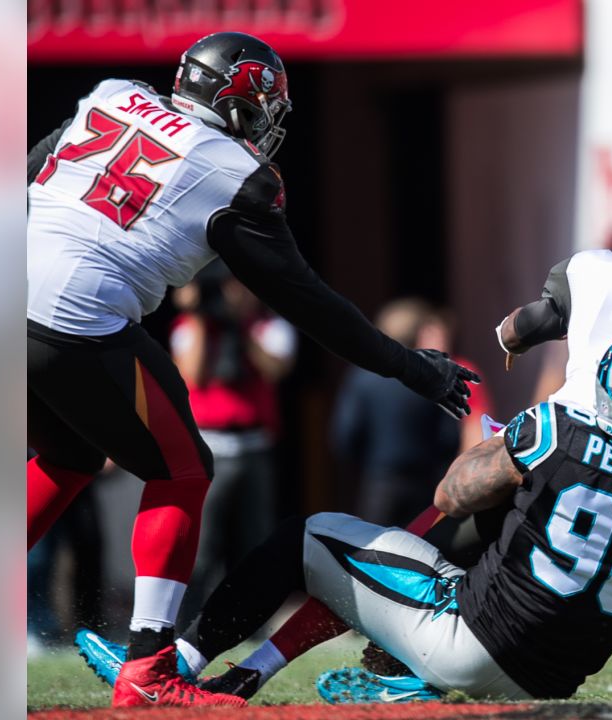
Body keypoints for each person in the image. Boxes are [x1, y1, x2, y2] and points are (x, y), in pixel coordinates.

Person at [76, 168, 612, 700]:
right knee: (445, 574)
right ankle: (342, 670)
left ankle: (189, 658)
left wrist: (517, 339)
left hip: (555, 451)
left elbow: (518, 328)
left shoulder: (595, 272)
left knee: (394, 541)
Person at [27, 31, 478, 708]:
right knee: (180, 471)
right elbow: (311, 304)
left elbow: (28, 177)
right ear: (240, 101)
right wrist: (413, 368)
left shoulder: (112, 95)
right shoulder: (233, 172)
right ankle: (150, 668)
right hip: (76, 312)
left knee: (69, 456)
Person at [77, 330, 612, 700]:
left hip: (469, 641)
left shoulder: (560, 430)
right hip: (552, 679)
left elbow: (450, 496)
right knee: (419, 562)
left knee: (310, 537)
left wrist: (511, 451)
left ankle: (179, 665)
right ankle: (302, 675)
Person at [169, 263, 296, 626]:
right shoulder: (191, 327)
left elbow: (275, 368)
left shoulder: (269, 326)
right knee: (202, 544)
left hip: (255, 446)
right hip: (209, 447)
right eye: (227, 287)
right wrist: (200, 315)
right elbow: (191, 372)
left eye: (241, 286)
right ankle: (187, 621)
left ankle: (250, 619)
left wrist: (239, 325)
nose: (235, 294)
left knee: (255, 540)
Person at [331, 299, 463, 527]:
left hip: (378, 484)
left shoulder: (362, 377)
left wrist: (368, 464)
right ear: (417, 334)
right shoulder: (430, 378)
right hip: (425, 488)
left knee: (375, 554)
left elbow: (345, 435)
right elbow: (450, 437)